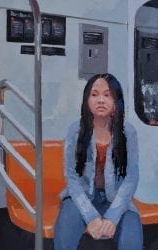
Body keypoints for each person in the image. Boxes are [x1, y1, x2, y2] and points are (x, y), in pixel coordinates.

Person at [54, 73, 143, 249]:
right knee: (66, 226)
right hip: (82, 197)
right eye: (94, 95)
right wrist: (91, 217)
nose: (100, 100)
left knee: (132, 235)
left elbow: (131, 178)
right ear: (86, 100)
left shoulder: (128, 132)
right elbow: (72, 178)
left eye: (107, 95)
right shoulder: (76, 131)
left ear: (117, 101)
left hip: (115, 198)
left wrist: (112, 216)